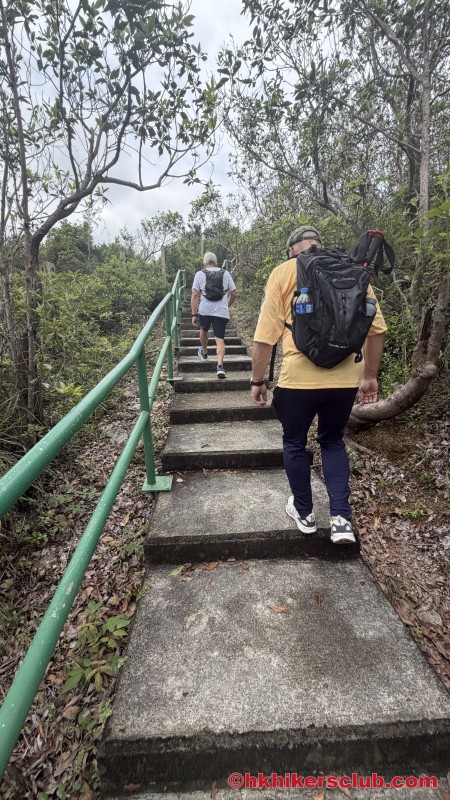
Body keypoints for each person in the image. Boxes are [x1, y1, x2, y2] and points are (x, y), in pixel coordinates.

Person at [250, 225, 387, 544]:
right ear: (320, 245)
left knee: (294, 442)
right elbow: (376, 329)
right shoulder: (352, 270)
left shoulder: (283, 272)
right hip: (346, 377)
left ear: (291, 251)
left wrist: (258, 380)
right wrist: (369, 376)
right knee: (333, 440)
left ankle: (305, 513)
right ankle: (341, 518)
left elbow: (264, 337)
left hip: (299, 378)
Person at [191, 252, 237, 379]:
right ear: (216, 263)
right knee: (220, 338)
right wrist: (226, 306)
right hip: (221, 312)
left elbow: (195, 295)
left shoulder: (199, 274)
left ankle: (205, 353)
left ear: (204, 264)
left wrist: (194, 314)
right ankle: (220, 366)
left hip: (205, 310)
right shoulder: (225, 273)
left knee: (203, 330)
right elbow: (234, 293)